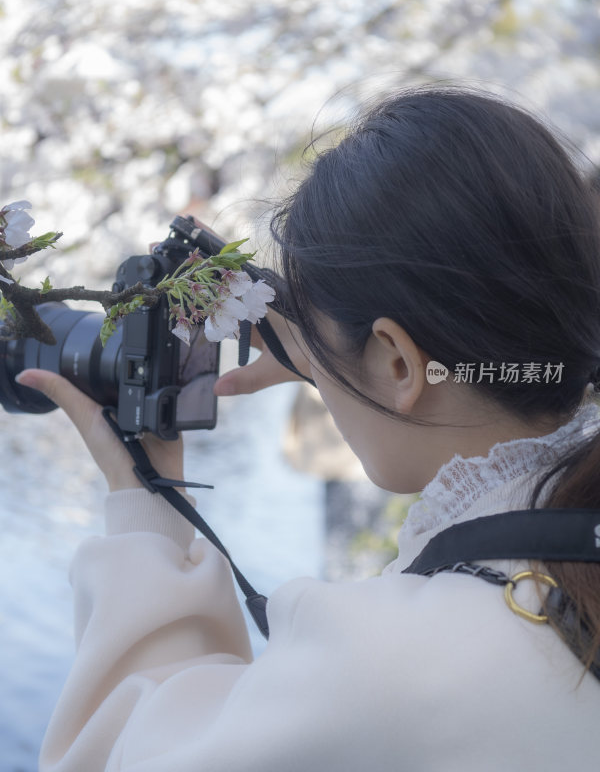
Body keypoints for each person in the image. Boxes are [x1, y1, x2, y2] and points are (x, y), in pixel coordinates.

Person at [17, 85, 600, 771]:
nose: (315, 374)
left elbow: (124, 756)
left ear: (396, 361)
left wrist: (148, 505)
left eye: (317, 348)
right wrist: (344, 359)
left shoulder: (392, 665)